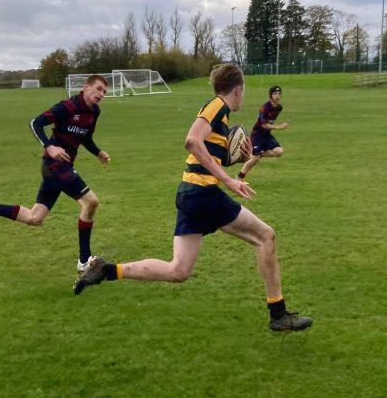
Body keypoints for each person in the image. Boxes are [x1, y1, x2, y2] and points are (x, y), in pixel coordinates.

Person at [73, 64, 312, 333]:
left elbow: (206, 156)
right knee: (266, 236)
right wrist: (228, 180)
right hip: (203, 194)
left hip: (189, 193)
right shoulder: (217, 106)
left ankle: (107, 271)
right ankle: (278, 313)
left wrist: (238, 158)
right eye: (243, 92)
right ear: (238, 89)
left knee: (178, 270)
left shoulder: (221, 117)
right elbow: (192, 141)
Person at [0, 74, 110, 273]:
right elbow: (35, 123)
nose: (101, 94)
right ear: (86, 87)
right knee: (91, 202)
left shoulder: (94, 112)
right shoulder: (67, 107)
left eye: (104, 91)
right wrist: (50, 147)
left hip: (60, 167)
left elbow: (86, 137)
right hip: (54, 166)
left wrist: (98, 153)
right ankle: (84, 260)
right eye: (98, 89)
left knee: (34, 218)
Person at [236, 85, 289, 182]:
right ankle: (239, 177)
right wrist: (279, 127)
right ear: (270, 95)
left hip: (266, 135)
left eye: (279, 94)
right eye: (275, 94)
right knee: (255, 159)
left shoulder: (279, 108)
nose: (277, 96)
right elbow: (264, 125)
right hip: (257, 135)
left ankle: (256, 153)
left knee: (279, 151)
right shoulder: (265, 108)